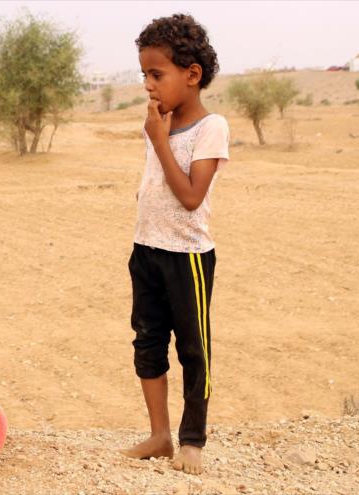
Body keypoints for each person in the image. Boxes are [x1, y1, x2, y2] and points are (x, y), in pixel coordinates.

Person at [120, 14, 230, 475]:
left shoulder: (211, 127)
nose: (148, 84)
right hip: (145, 249)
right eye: (144, 74)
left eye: (157, 74)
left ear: (192, 75)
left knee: (193, 349)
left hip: (186, 257)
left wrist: (160, 141)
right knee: (147, 344)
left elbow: (189, 197)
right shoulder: (158, 123)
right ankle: (160, 435)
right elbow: (158, 185)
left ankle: (192, 440)